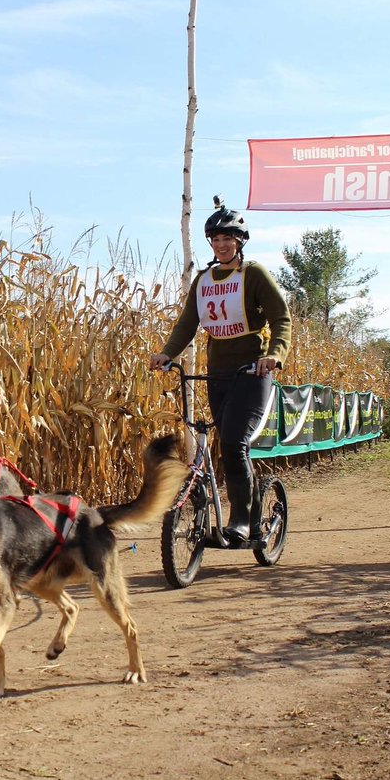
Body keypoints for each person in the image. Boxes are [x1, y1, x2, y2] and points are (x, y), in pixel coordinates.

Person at [149, 197, 292, 545]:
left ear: (240, 241)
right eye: (216, 239)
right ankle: (235, 516)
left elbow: (281, 319)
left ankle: (242, 522)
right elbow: (187, 324)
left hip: (252, 373)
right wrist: (167, 354)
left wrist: (274, 355)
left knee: (233, 442)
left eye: (228, 238)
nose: (222, 244)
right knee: (221, 445)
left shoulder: (254, 274)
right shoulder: (204, 279)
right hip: (218, 373)